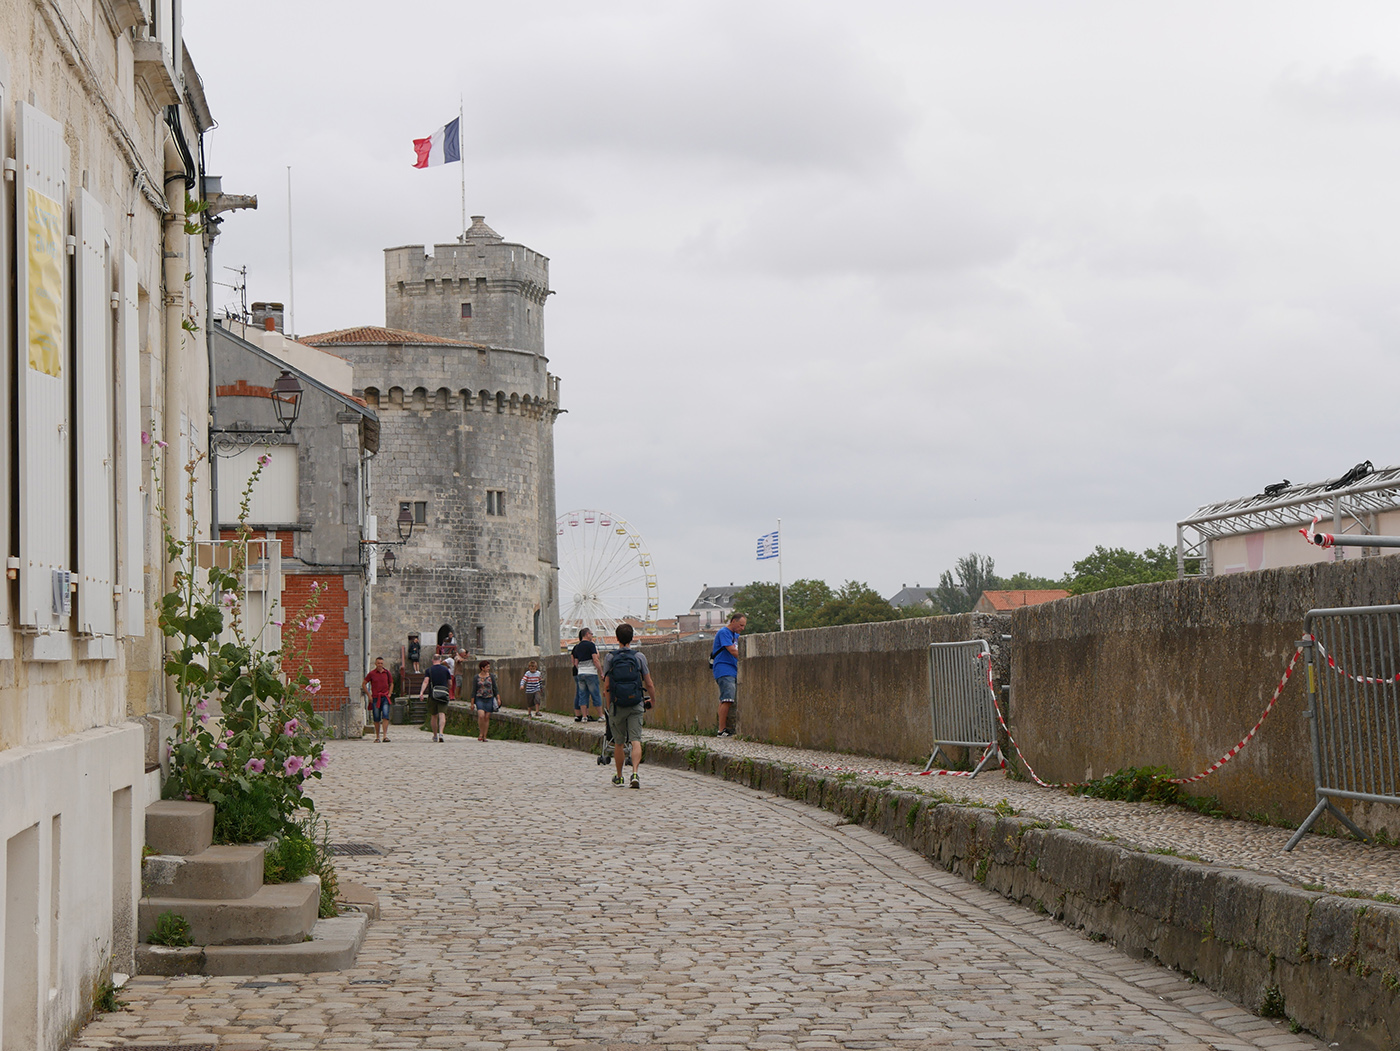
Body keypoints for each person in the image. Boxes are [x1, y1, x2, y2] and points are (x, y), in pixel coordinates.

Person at [602, 622, 655, 789]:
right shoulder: (639, 657)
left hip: (617, 705)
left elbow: (607, 685)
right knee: (635, 740)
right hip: (636, 702)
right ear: (632, 638)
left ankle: (619, 777)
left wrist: (609, 706)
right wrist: (652, 700)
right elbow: (649, 683)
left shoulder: (610, 658)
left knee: (618, 743)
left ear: (617, 638)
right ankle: (635, 773)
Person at [712, 612, 746, 738]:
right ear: (733, 622)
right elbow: (732, 650)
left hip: (733, 669)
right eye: (741, 625)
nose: (742, 628)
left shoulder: (735, 635)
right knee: (727, 699)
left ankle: (724, 729)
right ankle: (721, 730)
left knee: (728, 699)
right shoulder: (724, 632)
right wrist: (746, 657)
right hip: (724, 669)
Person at [418, 652, 453, 742]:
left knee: (434, 716)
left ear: (432, 660)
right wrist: (447, 689)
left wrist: (421, 692)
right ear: (440, 660)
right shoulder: (445, 670)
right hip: (443, 695)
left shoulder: (429, 670)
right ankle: (441, 733)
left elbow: (426, 681)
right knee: (442, 714)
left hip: (433, 695)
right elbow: (450, 683)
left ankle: (435, 735)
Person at [571, 627, 603, 722]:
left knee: (582, 695)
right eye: (591, 634)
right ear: (587, 634)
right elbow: (595, 659)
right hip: (591, 673)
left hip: (581, 673)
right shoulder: (591, 645)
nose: (592, 635)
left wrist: (581, 669)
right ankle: (601, 715)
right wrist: (601, 671)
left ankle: (584, 716)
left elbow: (575, 663)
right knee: (595, 694)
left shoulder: (577, 647)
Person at [362, 656, 393, 743]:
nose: (380, 665)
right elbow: (364, 684)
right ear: (375, 664)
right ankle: (377, 736)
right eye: (378, 663)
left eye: (381, 663)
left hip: (385, 697)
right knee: (376, 717)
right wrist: (369, 695)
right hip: (375, 698)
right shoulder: (372, 674)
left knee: (385, 715)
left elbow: (391, 683)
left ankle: (385, 736)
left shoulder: (387, 673)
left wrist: (390, 693)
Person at [471, 660, 500, 741]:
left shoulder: (491, 676)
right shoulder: (476, 677)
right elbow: (473, 690)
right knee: (481, 716)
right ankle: (481, 733)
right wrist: (472, 703)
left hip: (489, 698)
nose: (488, 668)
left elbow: (495, 688)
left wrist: (498, 698)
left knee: (487, 717)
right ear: (482, 668)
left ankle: (485, 735)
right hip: (479, 698)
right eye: (487, 667)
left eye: (489, 667)